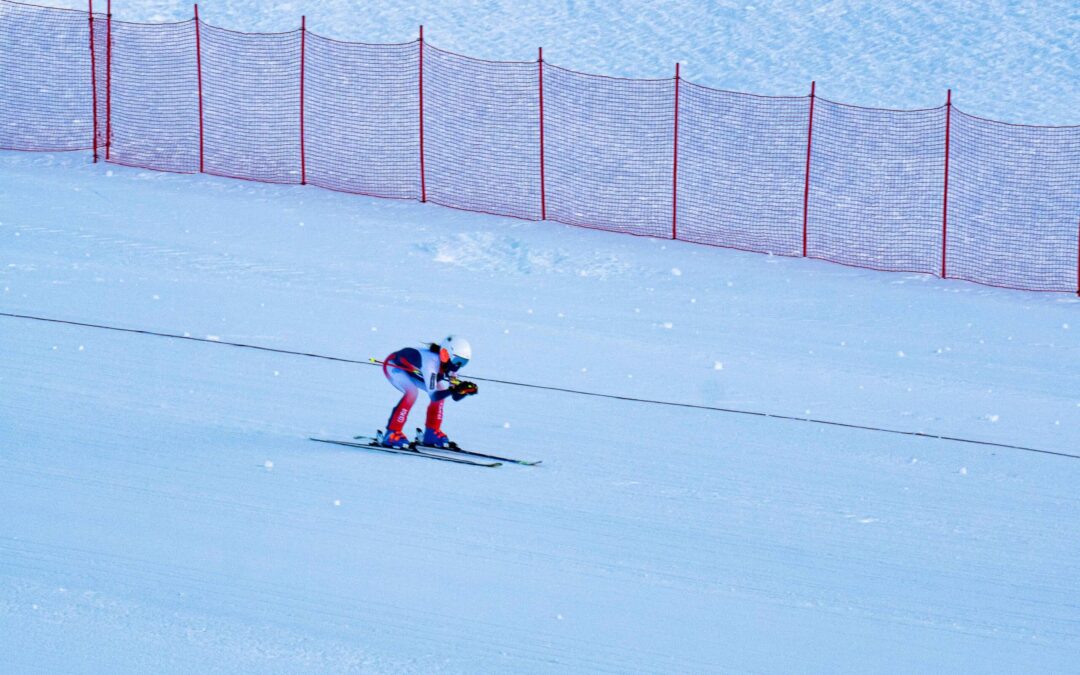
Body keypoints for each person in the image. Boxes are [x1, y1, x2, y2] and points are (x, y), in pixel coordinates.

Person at [380, 335, 478, 448]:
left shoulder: (451, 367)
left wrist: (464, 391)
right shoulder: (430, 363)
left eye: (463, 362)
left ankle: (431, 433)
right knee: (412, 393)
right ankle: (391, 434)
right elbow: (434, 396)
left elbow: (454, 397)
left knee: (441, 389)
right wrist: (455, 389)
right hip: (394, 366)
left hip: (414, 371)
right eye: (457, 360)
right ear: (445, 354)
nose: (458, 365)